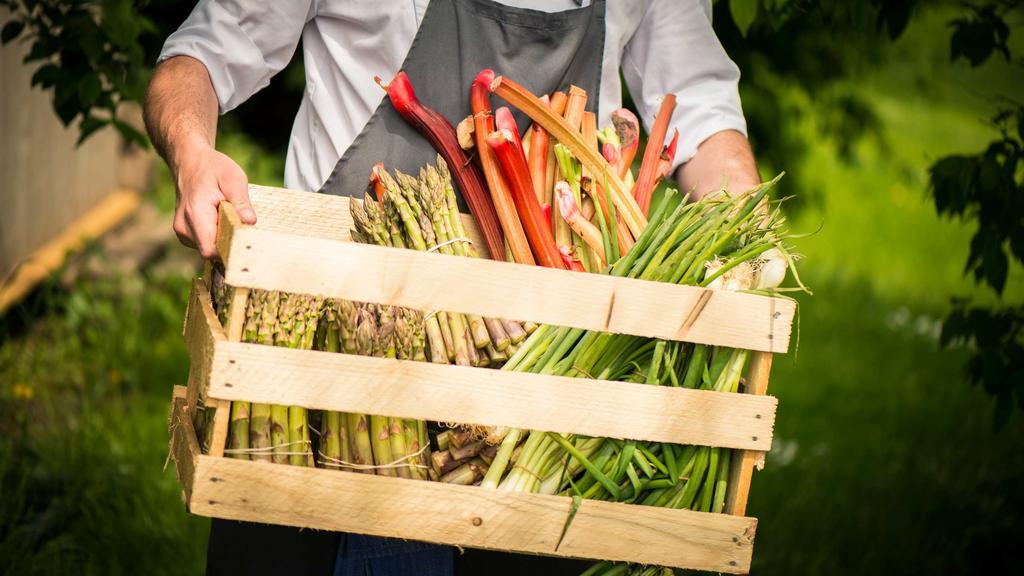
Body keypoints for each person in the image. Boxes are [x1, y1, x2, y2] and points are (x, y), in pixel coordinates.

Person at [144, 1, 760, 574]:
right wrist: (193, 151)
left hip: (550, 393)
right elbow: (202, 52)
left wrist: (741, 230)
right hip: (337, 370)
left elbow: (701, 108)